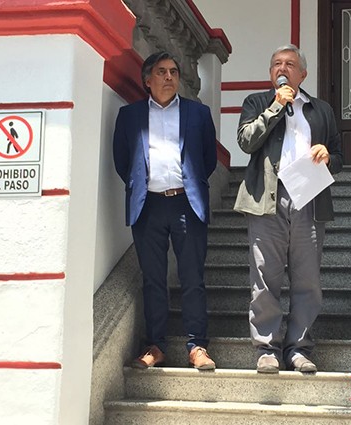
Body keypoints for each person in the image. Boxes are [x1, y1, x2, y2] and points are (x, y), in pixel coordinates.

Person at [234, 45, 343, 374]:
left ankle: (298, 348)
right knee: (265, 277)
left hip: (309, 198)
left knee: (307, 279)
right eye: (277, 64)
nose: (282, 69)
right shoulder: (257, 102)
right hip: (267, 199)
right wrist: (276, 107)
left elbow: (339, 156)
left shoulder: (321, 110)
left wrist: (327, 155)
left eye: (290, 64)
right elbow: (246, 141)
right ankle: (267, 348)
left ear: (303, 74)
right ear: (271, 73)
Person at [113, 51, 217, 370]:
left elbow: (208, 159)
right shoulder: (129, 116)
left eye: (173, 71)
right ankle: (155, 346)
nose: (169, 77)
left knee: (192, 277)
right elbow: (122, 160)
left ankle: (197, 346)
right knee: (153, 279)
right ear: (148, 80)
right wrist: (143, 187)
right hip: (149, 206)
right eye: (161, 71)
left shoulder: (198, 113)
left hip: (187, 203)